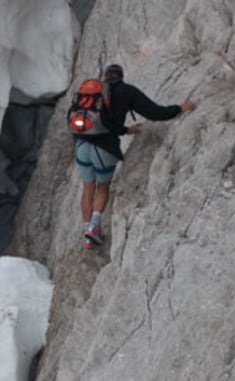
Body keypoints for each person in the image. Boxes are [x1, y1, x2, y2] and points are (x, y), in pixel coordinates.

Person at [74, 63, 197, 248]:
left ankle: (87, 234)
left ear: (105, 77)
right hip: (104, 149)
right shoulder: (126, 91)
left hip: (81, 145)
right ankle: (94, 228)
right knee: (103, 187)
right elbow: (155, 113)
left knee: (87, 188)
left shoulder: (91, 94)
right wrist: (180, 108)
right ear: (121, 77)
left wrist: (126, 130)